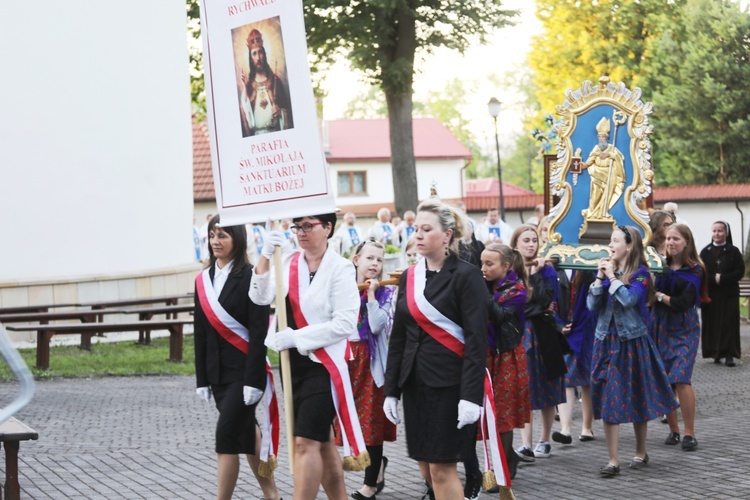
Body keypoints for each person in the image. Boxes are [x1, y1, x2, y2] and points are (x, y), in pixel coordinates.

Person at [250, 213, 367, 500]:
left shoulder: (340, 268)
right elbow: (260, 297)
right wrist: (265, 255)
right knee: (323, 443)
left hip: (326, 365)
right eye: (297, 226)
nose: (301, 232)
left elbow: (345, 324)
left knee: (303, 442)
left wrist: (297, 337)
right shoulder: (287, 261)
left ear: (327, 228)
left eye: (308, 226)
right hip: (294, 365)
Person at [383, 199, 487, 500]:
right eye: (416, 228)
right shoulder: (409, 277)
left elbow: (476, 342)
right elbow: (399, 338)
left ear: (447, 235)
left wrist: (470, 397)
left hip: (450, 387)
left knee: (443, 469)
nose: (418, 235)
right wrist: (391, 390)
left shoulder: (467, 276)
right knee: (426, 468)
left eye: (426, 229)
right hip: (415, 385)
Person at [193, 215, 281, 500]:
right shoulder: (202, 279)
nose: (216, 241)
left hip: (244, 373)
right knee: (246, 434)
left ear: (237, 239)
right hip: (217, 374)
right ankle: (272, 495)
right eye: (212, 235)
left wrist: (254, 379)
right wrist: (202, 378)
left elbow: (258, 333)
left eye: (223, 236)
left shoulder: (250, 276)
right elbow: (201, 332)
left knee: (225, 437)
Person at [587, 226, 678, 476]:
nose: (610, 244)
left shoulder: (641, 275)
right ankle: (613, 460)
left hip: (632, 343)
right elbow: (592, 305)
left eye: (615, 241)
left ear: (629, 246)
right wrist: (598, 277)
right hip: (605, 342)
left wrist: (613, 279)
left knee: (637, 395)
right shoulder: (605, 272)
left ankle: (640, 451)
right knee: (608, 398)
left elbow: (629, 300)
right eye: (610, 240)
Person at [345, 240, 397, 500]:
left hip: (371, 364)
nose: (375, 264)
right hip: (346, 362)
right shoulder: (343, 288)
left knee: (371, 426)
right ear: (356, 260)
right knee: (351, 424)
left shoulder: (386, 293)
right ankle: (376, 469)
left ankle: (370, 486)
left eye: (379, 260)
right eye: (369, 258)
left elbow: (376, 325)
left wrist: (373, 295)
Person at [510, 224, 568, 461]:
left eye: (534, 240)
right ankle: (525, 444)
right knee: (523, 389)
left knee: (547, 387)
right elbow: (516, 304)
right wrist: (534, 306)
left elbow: (547, 300)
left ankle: (544, 440)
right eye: (526, 240)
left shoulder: (547, 270)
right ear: (515, 244)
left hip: (544, 334)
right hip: (520, 336)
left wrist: (537, 276)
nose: (531, 244)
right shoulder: (510, 271)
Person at [650, 224, 708, 451]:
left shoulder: (695, 269)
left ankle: (689, 433)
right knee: (664, 379)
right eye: (668, 238)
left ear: (686, 242)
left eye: (675, 239)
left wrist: (659, 295)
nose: (670, 242)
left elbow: (683, 303)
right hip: (659, 326)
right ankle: (673, 430)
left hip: (685, 328)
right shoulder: (659, 266)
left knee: (681, 378)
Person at [480, 244, 531, 480]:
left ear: (506, 266)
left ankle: (504, 473)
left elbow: (499, 316)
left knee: (504, 415)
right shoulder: (487, 285)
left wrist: (479, 292)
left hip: (507, 356)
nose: (483, 268)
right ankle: (508, 457)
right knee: (488, 414)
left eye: (489, 264)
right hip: (486, 354)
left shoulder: (517, 289)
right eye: (482, 263)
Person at [700, 221, 745, 367]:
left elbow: (740, 271)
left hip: (728, 294)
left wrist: (723, 278)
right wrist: (713, 279)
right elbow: (701, 271)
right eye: (714, 231)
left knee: (728, 324)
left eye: (720, 231)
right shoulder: (705, 251)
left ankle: (729, 354)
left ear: (726, 233)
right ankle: (715, 353)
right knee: (712, 323)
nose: (717, 234)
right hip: (711, 294)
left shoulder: (733, 251)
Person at [239, 29, 293, 136]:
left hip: (276, 134)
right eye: (254, 54)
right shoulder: (249, 85)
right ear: (251, 58)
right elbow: (245, 112)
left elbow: (288, 109)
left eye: (260, 52)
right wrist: (244, 87)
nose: (258, 57)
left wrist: (280, 110)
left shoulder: (275, 81)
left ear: (264, 54)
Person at [580, 117, 625, 220]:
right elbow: (591, 159)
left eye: (603, 137)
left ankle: (603, 213)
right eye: (599, 137)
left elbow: (619, 158)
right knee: (595, 194)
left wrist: (609, 154)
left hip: (609, 175)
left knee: (607, 195)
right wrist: (585, 165)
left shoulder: (611, 148)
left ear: (607, 138)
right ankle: (592, 212)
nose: (601, 139)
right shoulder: (596, 148)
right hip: (597, 174)